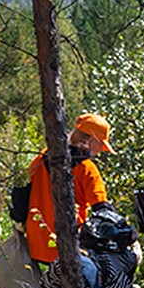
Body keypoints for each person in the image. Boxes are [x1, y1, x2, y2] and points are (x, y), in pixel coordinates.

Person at [24, 113, 112, 267]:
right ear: (91, 140)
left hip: (36, 246)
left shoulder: (41, 157)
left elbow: (23, 190)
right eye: (101, 146)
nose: (100, 152)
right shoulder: (87, 169)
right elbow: (102, 209)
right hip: (68, 250)